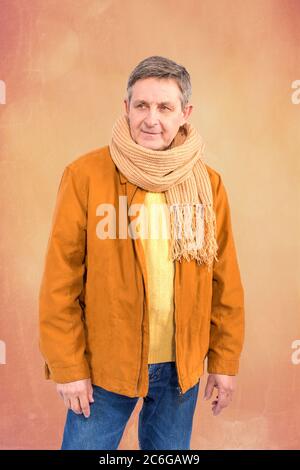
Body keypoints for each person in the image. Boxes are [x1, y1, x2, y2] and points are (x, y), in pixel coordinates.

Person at [38, 55, 245, 450]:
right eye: (141, 106)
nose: (152, 119)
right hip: (104, 368)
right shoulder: (84, 176)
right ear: (126, 109)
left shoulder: (208, 185)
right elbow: (59, 282)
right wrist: (67, 367)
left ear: (185, 113)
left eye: (165, 107)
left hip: (179, 370)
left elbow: (225, 281)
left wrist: (223, 361)